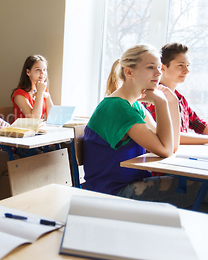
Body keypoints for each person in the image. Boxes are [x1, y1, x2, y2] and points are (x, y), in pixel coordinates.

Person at [82, 44, 199, 208]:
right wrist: (161, 101)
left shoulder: (133, 105)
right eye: (151, 67)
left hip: (130, 185)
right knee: (202, 192)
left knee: (199, 189)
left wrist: (171, 101)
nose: (158, 73)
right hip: (114, 193)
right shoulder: (118, 108)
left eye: (158, 67)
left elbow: (172, 145)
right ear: (129, 72)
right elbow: (165, 149)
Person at [145, 43, 208, 144]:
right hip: (162, 156)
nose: (186, 70)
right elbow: (170, 137)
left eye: (187, 66)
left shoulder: (180, 98)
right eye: (180, 65)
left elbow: (199, 125)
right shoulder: (153, 97)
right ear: (162, 68)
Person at [11, 55, 53, 122]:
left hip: (36, 131)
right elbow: (34, 119)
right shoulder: (19, 94)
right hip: (21, 131)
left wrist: (47, 96)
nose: (42, 73)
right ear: (28, 72)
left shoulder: (42, 90)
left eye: (44, 69)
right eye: (38, 70)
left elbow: (52, 117)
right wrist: (40, 93)